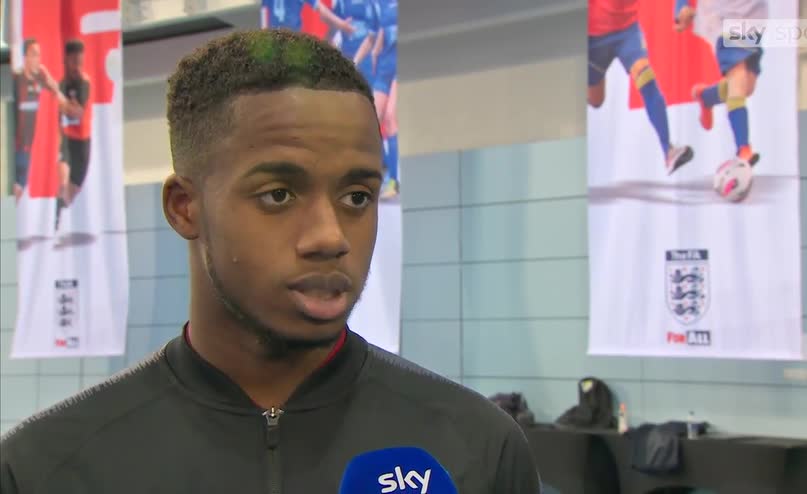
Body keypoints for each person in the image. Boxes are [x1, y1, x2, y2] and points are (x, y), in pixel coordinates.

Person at [0, 30, 541, 494]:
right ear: (185, 207)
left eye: (356, 197)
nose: (330, 237)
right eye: (279, 195)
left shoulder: (476, 447)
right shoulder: (45, 467)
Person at [588, 0, 694, 174]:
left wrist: (681, 6)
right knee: (596, 100)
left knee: (646, 77)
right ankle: (707, 96)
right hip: (594, 38)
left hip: (627, 31)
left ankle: (668, 150)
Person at [675, 0, 767, 165]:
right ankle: (743, 149)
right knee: (738, 77)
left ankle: (706, 97)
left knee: (747, 86)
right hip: (724, 15)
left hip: (752, 16)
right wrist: (681, 6)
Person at [11, 38, 67, 202]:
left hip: (33, 146)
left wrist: (47, 76)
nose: (37, 59)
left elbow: (59, 94)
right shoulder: (17, 78)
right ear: (25, 57)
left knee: (23, 186)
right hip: (19, 146)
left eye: (39, 55)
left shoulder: (40, 78)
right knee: (18, 187)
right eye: (34, 54)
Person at [55, 39, 93, 232]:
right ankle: (54, 222)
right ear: (66, 60)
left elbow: (77, 112)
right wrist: (65, 107)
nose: (77, 66)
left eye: (80, 62)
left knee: (74, 187)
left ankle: (58, 211)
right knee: (62, 182)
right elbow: (61, 110)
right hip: (65, 140)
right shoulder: (61, 84)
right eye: (73, 61)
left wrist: (65, 106)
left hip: (82, 141)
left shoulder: (84, 82)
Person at [371, 0, 398, 199]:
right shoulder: (381, 4)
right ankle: (383, 171)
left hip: (400, 68)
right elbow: (381, 32)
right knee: (372, 120)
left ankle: (394, 181)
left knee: (390, 117)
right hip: (383, 68)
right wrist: (374, 53)